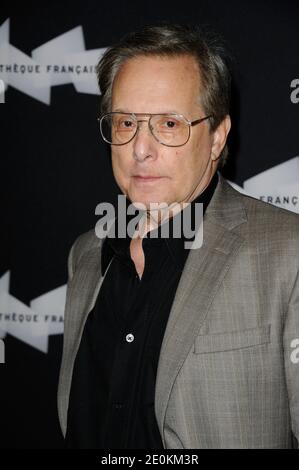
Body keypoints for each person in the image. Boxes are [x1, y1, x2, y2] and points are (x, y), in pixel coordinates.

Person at [57, 24, 299, 449]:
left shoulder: (287, 252)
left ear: (217, 137)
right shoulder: (86, 254)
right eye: (126, 122)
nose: (140, 149)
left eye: (169, 124)